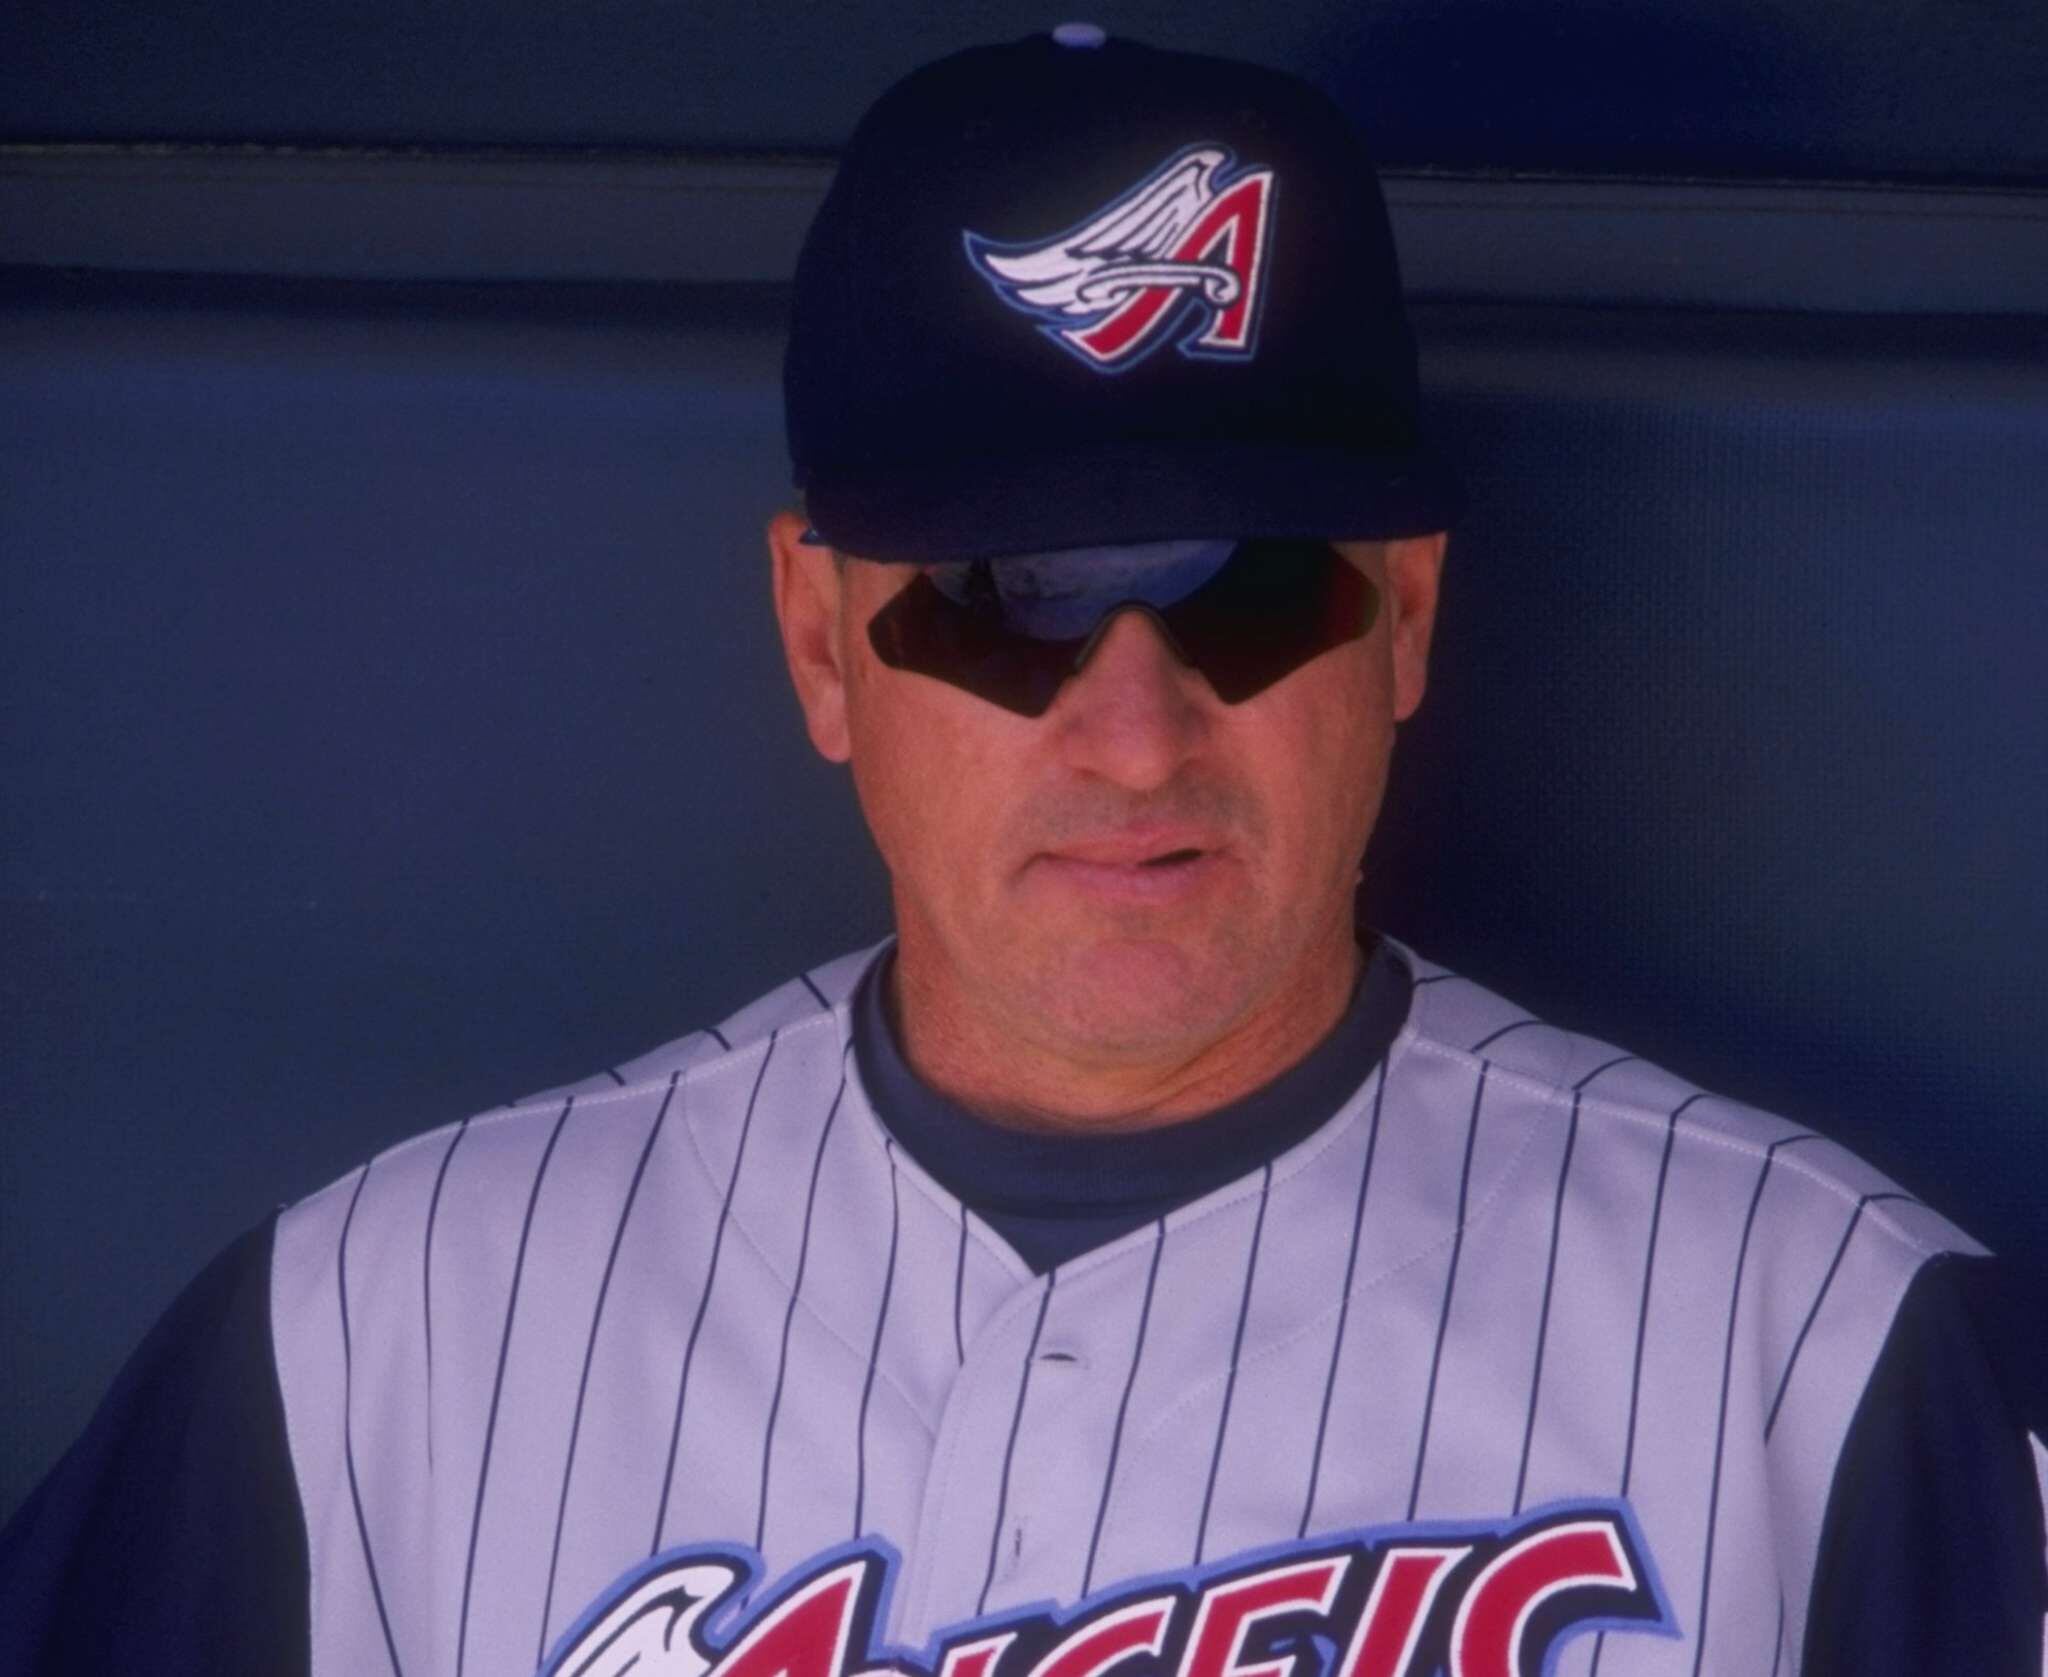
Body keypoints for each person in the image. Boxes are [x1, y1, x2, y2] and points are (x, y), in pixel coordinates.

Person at [2, 26, 2042, 1677]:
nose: (1134, 735)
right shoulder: (376, 1341)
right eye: (1004, 599)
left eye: (1249, 591)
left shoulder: (1819, 1352)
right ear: (822, 639)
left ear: (1405, 617)